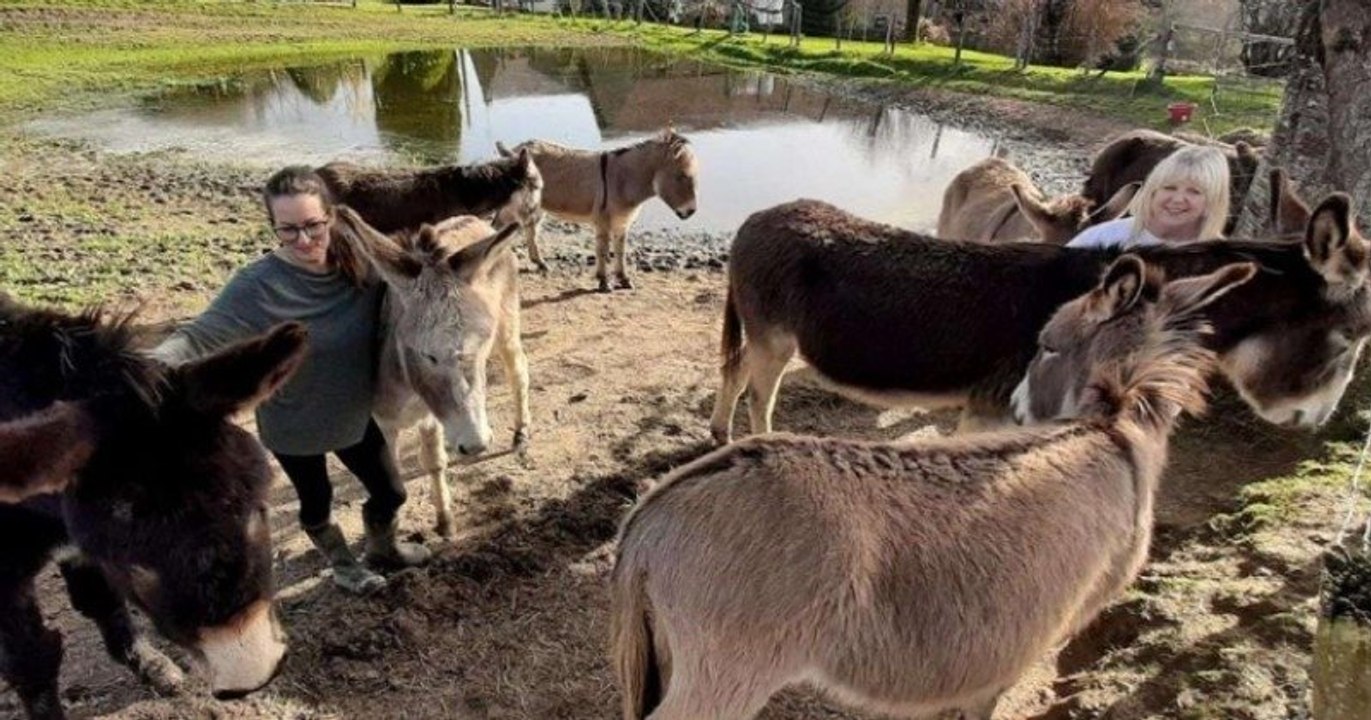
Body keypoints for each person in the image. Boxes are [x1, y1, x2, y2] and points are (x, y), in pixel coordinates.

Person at [150, 166, 430, 596]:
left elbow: (420, 278)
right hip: (293, 423)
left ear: (331, 218)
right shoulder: (256, 286)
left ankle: (382, 548)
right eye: (289, 230)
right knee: (316, 501)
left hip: (355, 414)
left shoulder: (363, 264)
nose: (304, 241)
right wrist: (144, 366)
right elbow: (197, 336)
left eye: (314, 227)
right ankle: (341, 563)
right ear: (273, 228)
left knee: (391, 491)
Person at [1066, 145, 1231, 250]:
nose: (1178, 199)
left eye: (1194, 192)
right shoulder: (1101, 240)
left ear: (1213, 200)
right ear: (1152, 191)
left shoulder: (1227, 262)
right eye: (1169, 188)